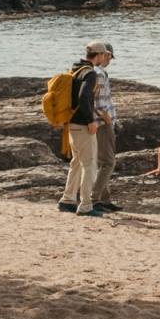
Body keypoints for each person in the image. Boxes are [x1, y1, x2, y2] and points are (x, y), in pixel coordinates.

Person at [58, 40, 118, 218]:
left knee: (76, 162)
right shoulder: (90, 73)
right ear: (99, 55)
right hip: (83, 125)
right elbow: (84, 97)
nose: (104, 58)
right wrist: (91, 120)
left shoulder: (76, 69)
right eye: (103, 55)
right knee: (88, 164)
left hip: (71, 123)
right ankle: (85, 205)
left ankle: (67, 199)